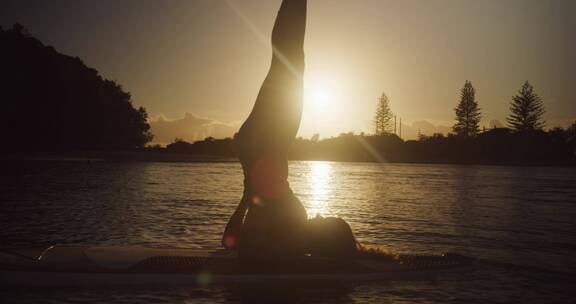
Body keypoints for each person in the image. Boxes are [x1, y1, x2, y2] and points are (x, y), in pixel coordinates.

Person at [222, 0, 308, 260]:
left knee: (289, 61)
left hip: (264, 147)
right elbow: (228, 242)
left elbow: (228, 243)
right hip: (259, 149)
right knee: (288, 60)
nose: (324, 216)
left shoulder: (285, 225)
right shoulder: (283, 224)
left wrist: (246, 200)